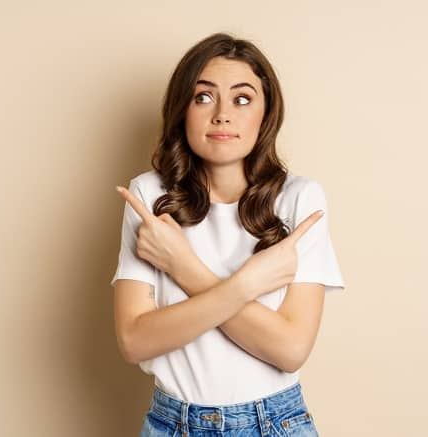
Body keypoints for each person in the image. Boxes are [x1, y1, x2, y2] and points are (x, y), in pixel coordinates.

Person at [111, 32, 344, 437]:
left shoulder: (298, 199)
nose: (222, 115)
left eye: (242, 99)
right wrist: (247, 284)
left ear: (265, 113)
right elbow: (134, 341)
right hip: (171, 424)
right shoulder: (150, 194)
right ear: (181, 109)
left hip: (273, 423)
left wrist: (184, 268)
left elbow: (290, 350)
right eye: (203, 97)